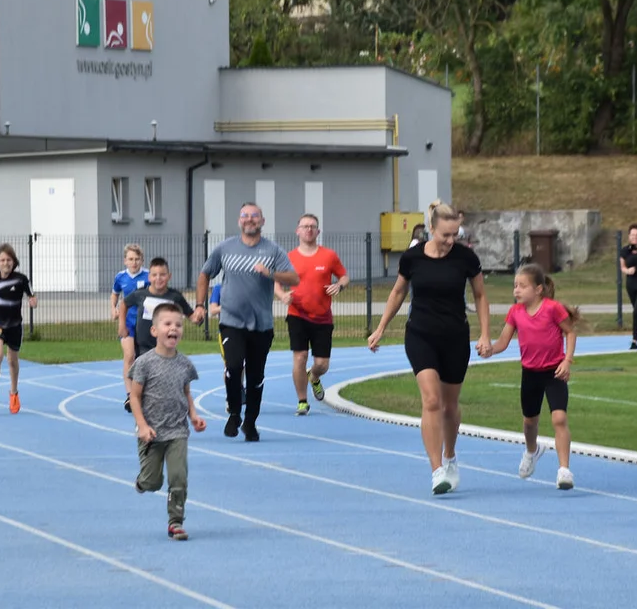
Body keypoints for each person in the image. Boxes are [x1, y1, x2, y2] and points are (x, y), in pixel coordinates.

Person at [367, 200, 492, 495]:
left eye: (455, 235)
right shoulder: (412, 258)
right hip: (420, 335)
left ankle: (450, 455)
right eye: (445, 235)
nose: (450, 241)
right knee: (432, 401)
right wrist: (381, 327)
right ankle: (436, 470)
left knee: (449, 406)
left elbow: (481, 295)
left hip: (455, 336)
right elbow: (398, 292)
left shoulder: (465, 258)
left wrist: (485, 334)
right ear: (431, 229)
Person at [194, 202, 299, 442]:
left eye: (254, 216)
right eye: (245, 216)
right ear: (239, 221)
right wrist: (200, 305)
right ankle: (234, 412)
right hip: (231, 320)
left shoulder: (272, 250)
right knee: (232, 367)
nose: (249, 219)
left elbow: (294, 277)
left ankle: (250, 421)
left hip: (261, 324)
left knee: (255, 376)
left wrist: (271, 274)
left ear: (262, 221)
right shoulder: (225, 248)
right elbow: (204, 273)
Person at [489, 263, 580, 490]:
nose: (516, 291)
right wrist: (490, 349)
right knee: (530, 422)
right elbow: (503, 341)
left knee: (559, 418)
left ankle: (564, 470)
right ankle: (532, 450)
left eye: (522, 286)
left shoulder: (552, 309)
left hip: (554, 372)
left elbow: (570, 331)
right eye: (515, 286)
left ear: (538, 289)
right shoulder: (515, 312)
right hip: (530, 373)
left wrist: (567, 360)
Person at [129, 303, 206, 540]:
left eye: (179, 325)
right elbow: (135, 396)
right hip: (151, 432)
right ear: (154, 331)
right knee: (153, 482)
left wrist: (193, 415)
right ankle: (143, 482)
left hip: (177, 431)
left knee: (178, 477)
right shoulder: (144, 363)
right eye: (168, 324)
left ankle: (175, 522)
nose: (174, 328)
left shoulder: (185, 364)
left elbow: (186, 392)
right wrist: (142, 425)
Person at [274, 213, 349, 416]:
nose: (308, 229)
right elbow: (277, 284)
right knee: (300, 357)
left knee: (321, 364)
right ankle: (302, 401)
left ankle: (314, 377)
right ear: (297, 230)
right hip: (297, 314)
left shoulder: (328, 255)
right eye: (305, 226)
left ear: (318, 231)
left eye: (312, 226)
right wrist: (282, 296)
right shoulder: (288, 258)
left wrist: (339, 286)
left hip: (322, 316)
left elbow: (344, 276)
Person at [0, 243, 38, 414]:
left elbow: (32, 296)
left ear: (14, 261)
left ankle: (13, 393)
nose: (6, 263)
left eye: (9, 260)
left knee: (12, 360)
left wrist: (33, 302)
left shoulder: (21, 279)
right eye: (2, 260)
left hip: (15, 324)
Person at [118, 257, 204, 357]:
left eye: (162, 275)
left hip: (166, 349)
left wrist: (198, 316)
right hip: (142, 349)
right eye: (154, 275)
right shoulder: (140, 294)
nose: (158, 278)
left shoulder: (175, 296)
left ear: (169, 276)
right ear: (149, 277)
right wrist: (122, 325)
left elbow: (192, 316)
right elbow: (124, 304)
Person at [111, 244, 149, 412]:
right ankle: (129, 395)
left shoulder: (148, 276)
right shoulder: (120, 277)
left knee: (144, 359)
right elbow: (115, 293)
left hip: (145, 322)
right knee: (129, 355)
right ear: (125, 261)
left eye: (137, 259)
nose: (134, 262)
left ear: (142, 260)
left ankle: (143, 393)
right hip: (127, 322)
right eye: (131, 259)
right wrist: (113, 308)